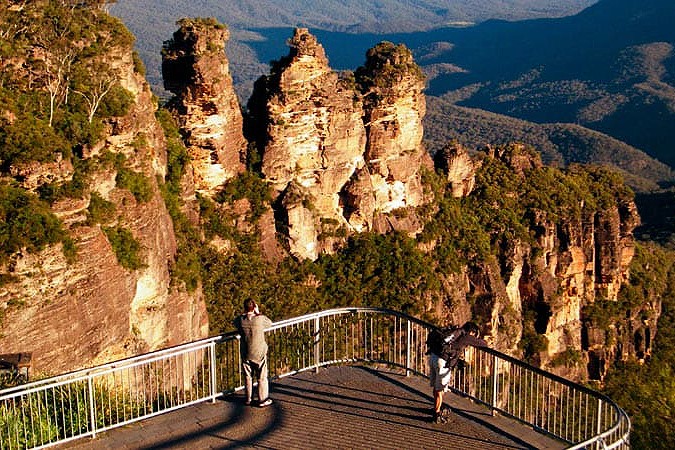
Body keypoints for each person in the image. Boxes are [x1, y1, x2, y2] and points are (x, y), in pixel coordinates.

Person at [427, 321, 487, 423]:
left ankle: (436, 408)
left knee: (436, 387)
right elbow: (483, 344)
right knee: (440, 389)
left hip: (433, 357)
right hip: (442, 362)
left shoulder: (454, 332)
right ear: (471, 331)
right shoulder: (466, 336)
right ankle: (436, 414)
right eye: (474, 334)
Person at [234, 299, 273, 407]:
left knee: (248, 376)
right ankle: (262, 399)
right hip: (259, 352)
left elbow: (235, 322)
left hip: (246, 352)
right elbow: (269, 323)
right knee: (261, 377)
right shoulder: (259, 319)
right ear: (254, 307)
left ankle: (248, 398)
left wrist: (245, 314)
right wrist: (258, 312)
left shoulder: (241, 320)